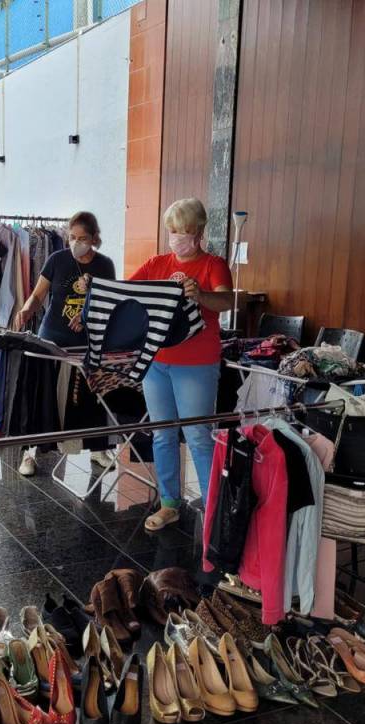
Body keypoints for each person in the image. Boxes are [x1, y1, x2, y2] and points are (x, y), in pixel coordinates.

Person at [130, 198, 233, 532]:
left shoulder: (213, 265)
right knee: (162, 435)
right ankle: (169, 504)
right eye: (172, 231)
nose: (176, 237)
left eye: (183, 231)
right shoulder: (156, 263)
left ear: (199, 232)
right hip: (157, 362)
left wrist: (200, 295)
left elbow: (226, 301)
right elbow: (128, 291)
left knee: (198, 436)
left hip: (197, 363)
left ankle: (214, 512)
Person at [12, 211, 116, 477]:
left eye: (82, 238)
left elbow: (108, 303)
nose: (75, 243)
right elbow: (38, 295)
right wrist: (26, 309)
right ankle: (30, 452)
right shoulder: (57, 259)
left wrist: (87, 318)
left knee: (92, 397)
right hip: (53, 337)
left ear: (94, 238)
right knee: (42, 396)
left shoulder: (105, 265)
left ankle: (98, 448)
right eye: (72, 237)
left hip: (88, 342)